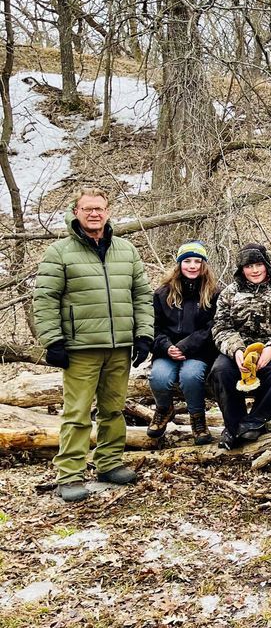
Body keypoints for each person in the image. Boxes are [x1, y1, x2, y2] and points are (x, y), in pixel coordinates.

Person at [32, 188, 154, 502]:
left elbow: (141, 296)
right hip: (80, 347)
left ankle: (109, 463)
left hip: (119, 347)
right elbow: (44, 300)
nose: (94, 214)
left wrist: (143, 335)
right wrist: (53, 341)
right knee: (77, 412)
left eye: (99, 208)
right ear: (76, 212)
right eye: (87, 209)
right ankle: (70, 474)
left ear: (108, 211)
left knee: (113, 410)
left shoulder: (126, 250)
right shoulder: (59, 252)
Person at [211, 243, 271, 449]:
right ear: (241, 269)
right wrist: (236, 350)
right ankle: (234, 426)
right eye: (248, 266)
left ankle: (254, 422)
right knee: (220, 370)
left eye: (259, 265)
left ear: (267, 265)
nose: (254, 271)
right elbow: (220, 327)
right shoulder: (229, 293)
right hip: (240, 349)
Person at [148, 241, 220, 446]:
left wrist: (185, 346)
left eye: (197, 261)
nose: (192, 266)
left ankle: (198, 419)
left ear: (204, 265)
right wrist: (166, 346)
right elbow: (154, 327)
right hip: (166, 351)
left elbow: (213, 327)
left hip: (198, 352)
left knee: (191, 376)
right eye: (187, 261)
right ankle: (163, 409)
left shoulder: (213, 293)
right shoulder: (163, 293)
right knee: (158, 377)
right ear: (179, 264)